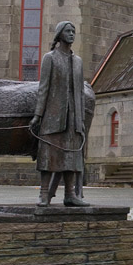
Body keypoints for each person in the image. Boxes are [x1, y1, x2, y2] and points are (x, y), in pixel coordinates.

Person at [29, 21, 88, 207]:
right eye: (68, 31)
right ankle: (44, 194)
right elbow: (43, 88)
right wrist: (38, 115)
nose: (72, 34)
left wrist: (81, 119)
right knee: (49, 155)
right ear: (59, 35)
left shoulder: (78, 61)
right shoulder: (50, 58)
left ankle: (70, 194)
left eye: (74, 31)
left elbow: (80, 92)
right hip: (53, 115)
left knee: (71, 155)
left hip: (73, 116)